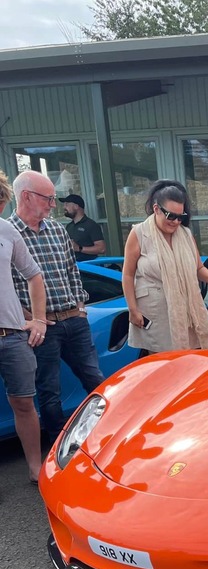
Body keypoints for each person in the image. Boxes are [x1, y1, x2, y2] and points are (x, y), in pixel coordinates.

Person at [10, 170, 104, 445]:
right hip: (42, 326)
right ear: (26, 197)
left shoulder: (57, 230)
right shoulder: (8, 233)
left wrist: (81, 307)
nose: (53, 205)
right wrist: (29, 318)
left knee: (96, 380)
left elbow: (71, 270)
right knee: (49, 391)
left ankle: (104, 437)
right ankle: (57, 448)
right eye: (48, 198)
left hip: (74, 318)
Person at [122, 180, 208, 356]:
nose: (176, 221)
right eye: (170, 216)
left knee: (191, 361)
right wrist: (133, 310)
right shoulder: (139, 233)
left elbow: (198, 267)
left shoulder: (186, 234)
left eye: (180, 216)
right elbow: (128, 274)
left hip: (186, 310)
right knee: (163, 364)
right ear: (156, 209)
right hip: (155, 313)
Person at [0, 171, 46, 482]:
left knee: (24, 403)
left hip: (12, 335)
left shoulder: (7, 231)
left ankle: (35, 468)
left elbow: (34, 275)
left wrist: (39, 318)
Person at [59, 194, 106, 261]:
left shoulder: (91, 225)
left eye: (67, 204)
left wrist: (79, 248)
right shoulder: (69, 226)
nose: (64, 207)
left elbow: (101, 249)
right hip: (73, 267)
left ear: (76, 206)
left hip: (89, 267)